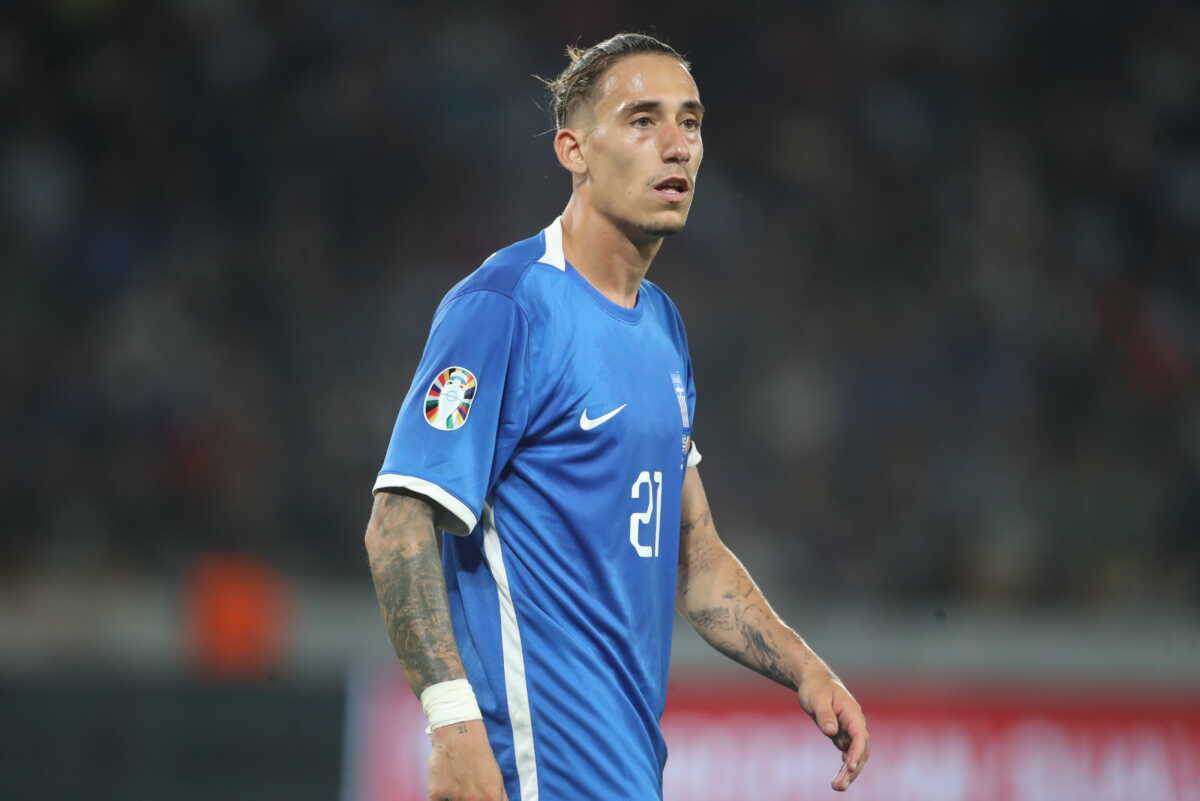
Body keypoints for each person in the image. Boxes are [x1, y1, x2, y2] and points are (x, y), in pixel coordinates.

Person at [364, 32, 869, 801]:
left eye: (690, 122)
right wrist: (453, 723)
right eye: (642, 120)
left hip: (628, 774)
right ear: (575, 151)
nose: (677, 145)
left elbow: (695, 559)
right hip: (528, 772)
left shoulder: (662, 327)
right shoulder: (506, 306)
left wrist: (807, 668)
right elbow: (397, 521)